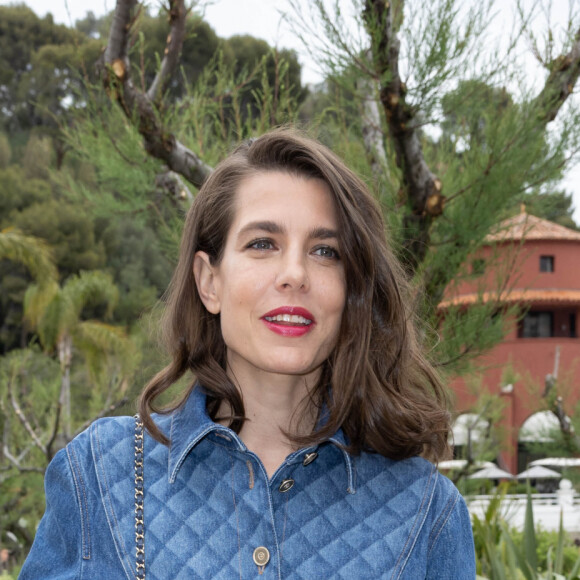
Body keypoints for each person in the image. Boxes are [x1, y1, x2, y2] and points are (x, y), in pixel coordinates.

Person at [20, 129, 476, 579]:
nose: (295, 274)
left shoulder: (425, 512)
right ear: (209, 281)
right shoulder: (101, 475)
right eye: (262, 244)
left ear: (352, 289)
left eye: (325, 251)